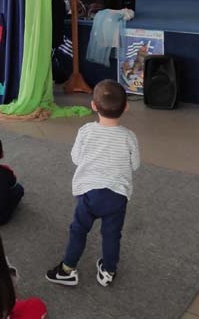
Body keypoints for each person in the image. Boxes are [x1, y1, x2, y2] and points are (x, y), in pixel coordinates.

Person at [46, 79, 140, 288]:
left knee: (78, 230)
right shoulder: (129, 137)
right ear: (126, 107)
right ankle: (108, 270)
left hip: (89, 194)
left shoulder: (86, 131)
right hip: (117, 196)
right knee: (112, 235)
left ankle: (67, 269)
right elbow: (135, 165)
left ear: (93, 106)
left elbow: (76, 158)